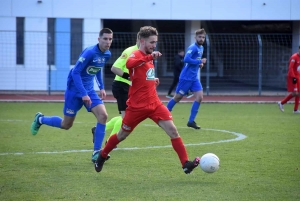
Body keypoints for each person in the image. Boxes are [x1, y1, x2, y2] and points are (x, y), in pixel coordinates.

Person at [94, 26, 200, 174]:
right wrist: (150, 57)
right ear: (142, 41)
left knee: (173, 131)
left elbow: (143, 74)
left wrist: (152, 79)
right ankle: (102, 155)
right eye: (151, 42)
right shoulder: (135, 54)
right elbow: (131, 64)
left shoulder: (150, 57)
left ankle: (185, 164)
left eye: (155, 42)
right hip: (137, 107)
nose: (154, 45)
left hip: (154, 104)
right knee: (122, 135)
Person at [30, 28, 114, 163]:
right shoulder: (90, 52)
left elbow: (97, 69)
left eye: (110, 39)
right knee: (66, 124)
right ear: (99, 39)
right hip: (75, 91)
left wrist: (102, 87)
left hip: (89, 91)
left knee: (103, 115)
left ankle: (97, 152)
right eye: (105, 39)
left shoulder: (107, 54)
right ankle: (40, 119)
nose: (108, 42)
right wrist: (83, 93)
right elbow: (75, 72)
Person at [91, 33, 140, 148]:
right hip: (121, 86)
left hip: (129, 87)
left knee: (127, 117)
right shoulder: (130, 51)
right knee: (126, 118)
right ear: (140, 40)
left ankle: (98, 130)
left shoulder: (143, 54)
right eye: (149, 41)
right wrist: (129, 77)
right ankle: (110, 142)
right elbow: (115, 68)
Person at [166, 28, 207, 129]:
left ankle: (191, 121)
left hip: (194, 78)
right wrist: (199, 62)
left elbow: (195, 61)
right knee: (177, 98)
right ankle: (163, 115)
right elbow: (186, 59)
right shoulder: (193, 47)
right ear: (195, 37)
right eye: (199, 37)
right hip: (186, 77)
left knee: (200, 97)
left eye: (203, 37)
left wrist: (200, 65)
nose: (201, 39)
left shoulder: (201, 48)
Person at [278, 46, 300, 113]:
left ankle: (295, 110)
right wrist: (294, 78)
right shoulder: (294, 57)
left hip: (298, 77)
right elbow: (290, 69)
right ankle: (281, 103)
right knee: (295, 93)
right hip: (293, 77)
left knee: (299, 93)